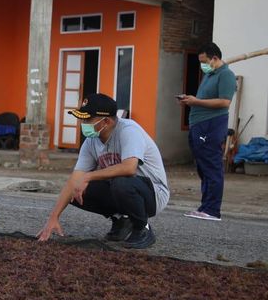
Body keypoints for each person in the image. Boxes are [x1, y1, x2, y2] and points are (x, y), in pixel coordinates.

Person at [37, 93, 169, 249]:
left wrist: (89, 176)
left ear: (106, 121)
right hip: (122, 191)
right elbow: (74, 179)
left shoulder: (129, 130)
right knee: (74, 189)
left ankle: (142, 228)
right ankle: (121, 220)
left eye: (87, 119)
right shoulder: (91, 142)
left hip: (153, 194)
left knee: (122, 182)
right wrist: (53, 217)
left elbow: (129, 168)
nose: (82, 123)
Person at [178, 42, 237, 221]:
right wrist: (190, 100)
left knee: (212, 167)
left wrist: (196, 102)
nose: (202, 65)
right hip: (199, 124)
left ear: (215, 58)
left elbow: (225, 102)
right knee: (203, 167)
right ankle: (205, 206)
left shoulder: (226, 75)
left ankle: (212, 210)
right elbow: (204, 99)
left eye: (204, 61)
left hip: (211, 125)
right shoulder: (210, 75)